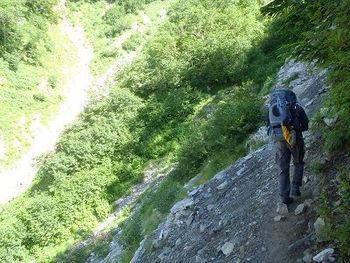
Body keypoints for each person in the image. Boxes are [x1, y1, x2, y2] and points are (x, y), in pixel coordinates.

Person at [267, 89, 309, 205]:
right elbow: (305, 124)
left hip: (280, 141)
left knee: (282, 168)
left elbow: (269, 127)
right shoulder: (296, 107)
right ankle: (296, 188)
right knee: (298, 162)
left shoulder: (271, 109)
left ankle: (284, 197)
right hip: (295, 138)